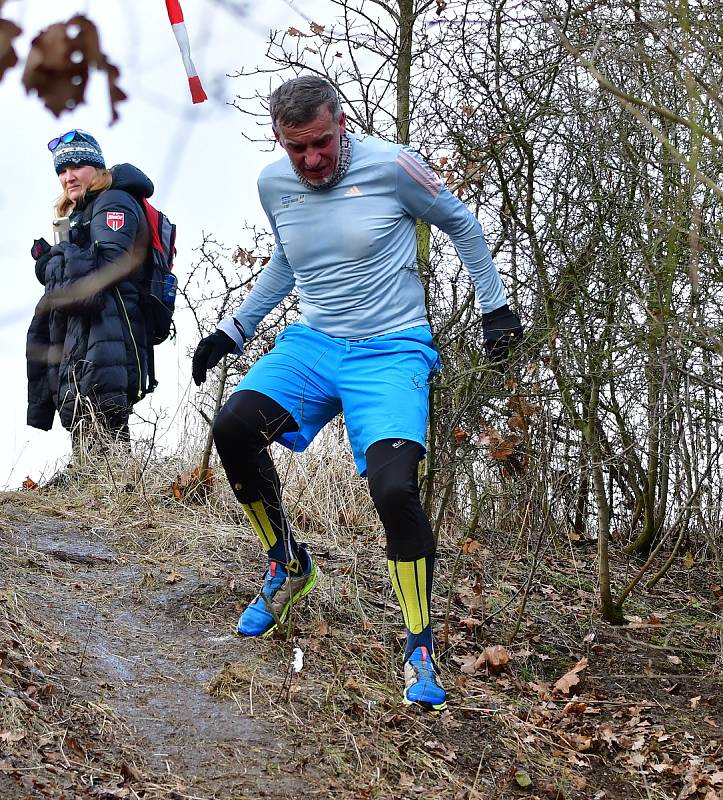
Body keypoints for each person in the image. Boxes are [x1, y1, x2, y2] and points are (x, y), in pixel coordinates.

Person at [192, 76, 522, 711]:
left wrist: (496, 308)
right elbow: (289, 266)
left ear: (341, 123)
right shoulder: (274, 185)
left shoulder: (394, 165)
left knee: (394, 488)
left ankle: (419, 648)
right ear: (280, 143)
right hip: (314, 342)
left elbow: (464, 228)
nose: (311, 161)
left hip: (392, 348)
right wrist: (235, 329)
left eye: (321, 144)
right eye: (297, 150)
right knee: (234, 426)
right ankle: (288, 564)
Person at [27, 130, 154, 452]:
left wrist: (52, 260)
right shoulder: (84, 209)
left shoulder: (114, 201)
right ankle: (94, 480)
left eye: (77, 167)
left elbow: (110, 265)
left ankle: (104, 482)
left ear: (97, 168)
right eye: (62, 171)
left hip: (111, 327)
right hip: (90, 328)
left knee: (100, 406)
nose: (68, 177)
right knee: (83, 406)